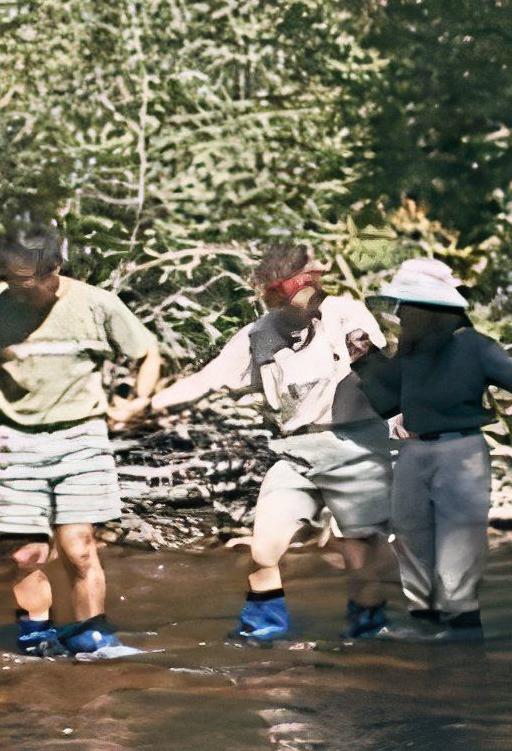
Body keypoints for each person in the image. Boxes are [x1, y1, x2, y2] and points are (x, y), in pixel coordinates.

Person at [0, 224, 163, 659]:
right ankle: (36, 637)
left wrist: (138, 401)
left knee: (78, 547)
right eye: (11, 278)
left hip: (81, 435)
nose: (19, 289)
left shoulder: (97, 304)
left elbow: (146, 352)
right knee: (26, 555)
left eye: (29, 280)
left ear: (56, 267)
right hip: (17, 438)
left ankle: (92, 637)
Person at [148, 245, 394, 642]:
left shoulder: (345, 312)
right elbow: (205, 380)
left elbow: (378, 367)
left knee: (359, 551)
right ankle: (262, 634)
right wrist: (146, 405)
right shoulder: (258, 334)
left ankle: (369, 632)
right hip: (296, 451)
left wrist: (361, 347)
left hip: (355, 444)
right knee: (263, 550)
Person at [348, 258, 512, 637]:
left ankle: (462, 630)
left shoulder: (476, 347)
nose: (401, 315)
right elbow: (388, 399)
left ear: (433, 311)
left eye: (406, 307)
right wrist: (365, 361)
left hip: (460, 453)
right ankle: (425, 625)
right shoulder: (412, 350)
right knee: (410, 538)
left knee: (459, 543)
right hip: (412, 452)